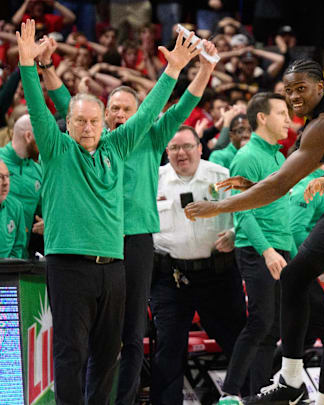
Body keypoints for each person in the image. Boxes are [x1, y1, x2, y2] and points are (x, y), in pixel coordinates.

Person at [16, 18, 197, 403]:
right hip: (69, 266)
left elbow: (147, 112)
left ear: (104, 125)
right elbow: (36, 102)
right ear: (67, 123)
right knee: (70, 353)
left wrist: (174, 70)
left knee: (108, 353)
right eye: (79, 120)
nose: (87, 127)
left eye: (94, 121)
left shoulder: (117, 146)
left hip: (113, 267)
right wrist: (29, 65)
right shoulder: (56, 149)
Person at [184, 58, 324, 405]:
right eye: (286, 95)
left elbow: (277, 188)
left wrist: (221, 207)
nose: (291, 102)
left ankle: (312, 389)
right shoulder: (262, 150)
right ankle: (257, 388)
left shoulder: (314, 130)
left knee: (301, 320)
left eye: (299, 90)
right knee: (267, 324)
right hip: (267, 247)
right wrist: (261, 242)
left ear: (321, 88)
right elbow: (268, 198)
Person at [150, 126, 244, 405]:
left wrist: (234, 235)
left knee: (238, 342)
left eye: (188, 146)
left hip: (218, 275)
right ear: (166, 152)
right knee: (167, 349)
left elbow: (246, 217)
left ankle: (250, 397)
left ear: (200, 148)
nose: (182, 153)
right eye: (175, 148)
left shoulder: (221, 177)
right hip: (170, 278)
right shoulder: (153, 180)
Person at [219, 92, 295, 403]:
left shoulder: (279, 157)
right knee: (260, 321)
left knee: (273, 326)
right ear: (261, 118)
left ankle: (258, 393)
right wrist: (267, 251)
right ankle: (229, 392)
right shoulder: (247, 157)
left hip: (281, 248)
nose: (289, 120)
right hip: (257, 249)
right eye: (281, 113)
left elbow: (283, 213)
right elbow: (242, 212)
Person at [0, 114, 41, 258]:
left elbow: (44, 209)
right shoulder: (1, 160)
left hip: (21, 257)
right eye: (40, 137)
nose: (44, 143)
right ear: (29, 136)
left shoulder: (39, 171)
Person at [0, 158, 27, 258]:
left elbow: (18, 246)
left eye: (7, 176)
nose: (6, 182)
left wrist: (9, 266)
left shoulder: (16, 207)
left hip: (8, 270)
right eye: (0, 177)